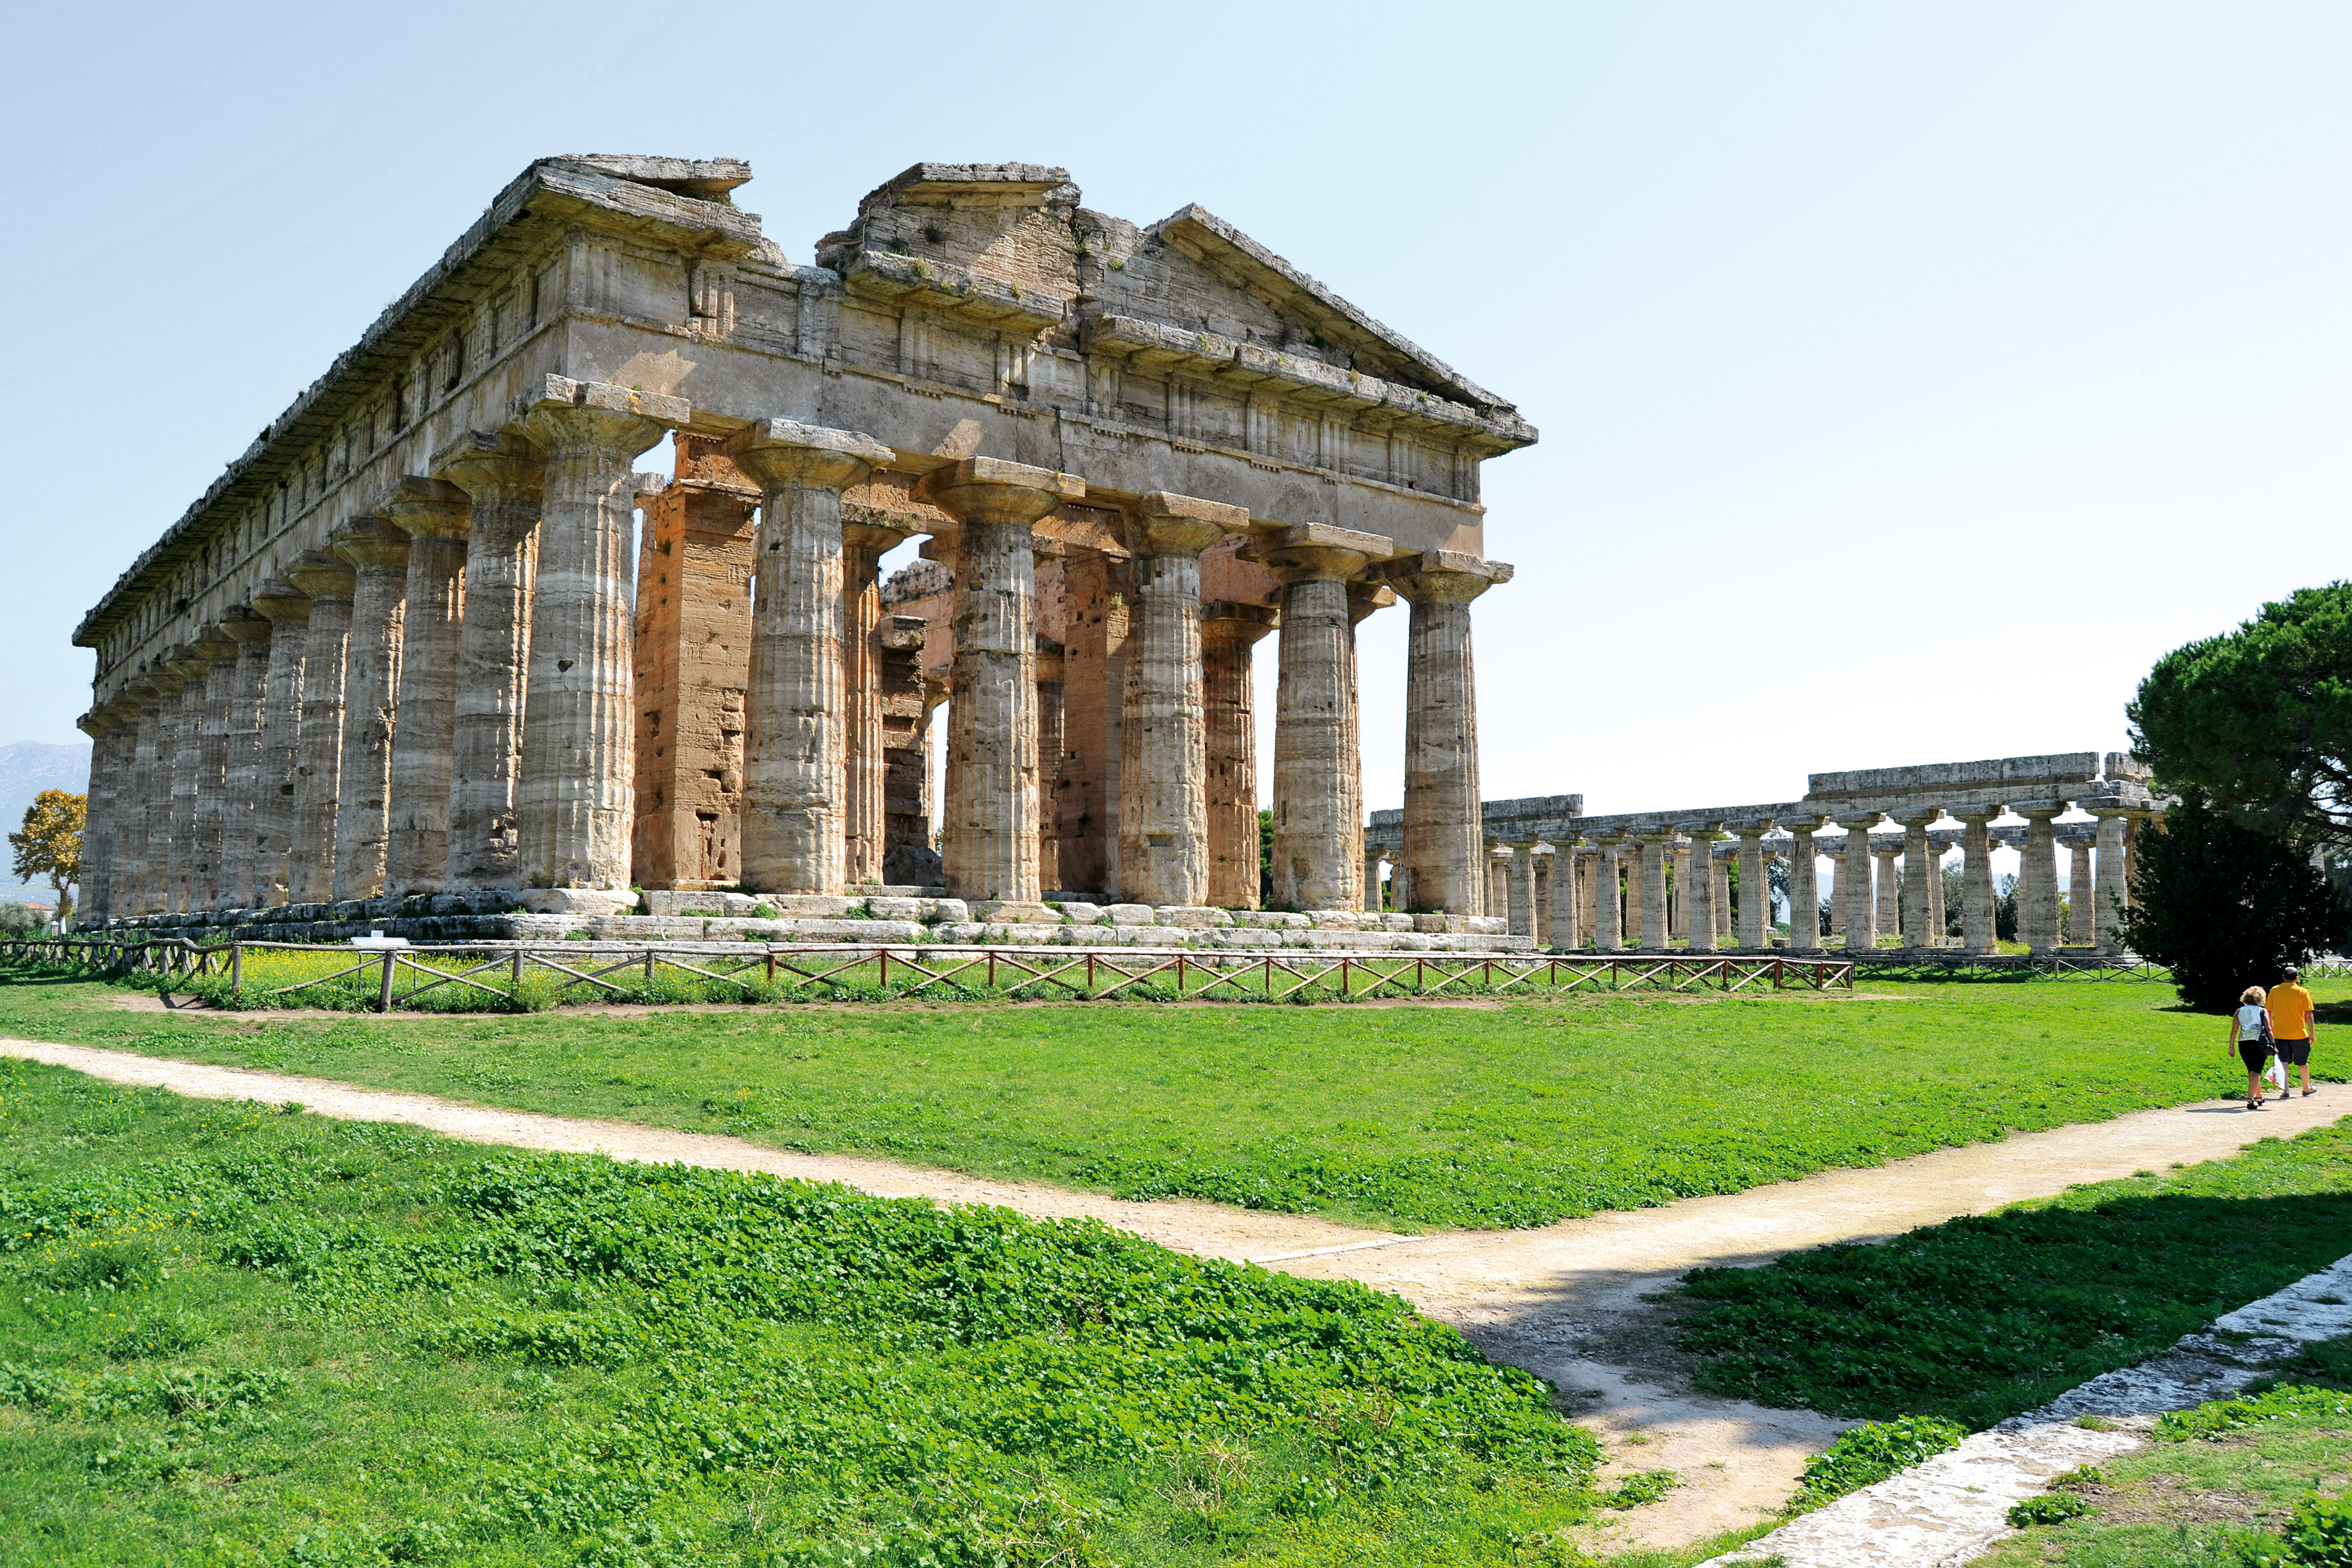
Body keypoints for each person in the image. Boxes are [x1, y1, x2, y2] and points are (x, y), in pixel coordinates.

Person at [2270, 965, 2319, 1097]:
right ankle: (2306, 1087)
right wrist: (2312, 1032)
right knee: (2302, 1062)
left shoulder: (2275, 991)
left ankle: (2286, 1090)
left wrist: (2271, 1028)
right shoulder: (2302, 992)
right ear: (2297, 979)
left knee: (2284, 1062)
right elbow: (2308, 1014)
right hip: (2299, 1033)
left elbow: (2269, 1011)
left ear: (2283, 977)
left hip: (2280, 1033)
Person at [2231, 986, 2276, 1110]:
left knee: (2252, 1071)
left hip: (2244, 1043)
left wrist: (2231, 1046)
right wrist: (2273, 1043)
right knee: (2256, 1071)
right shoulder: (2262, 1011)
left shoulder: (2239, 1011)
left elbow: (2235, 1030)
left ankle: (2259, 1097)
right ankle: (2250, 1099)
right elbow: (2268, 1029)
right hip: (2259, 1043)